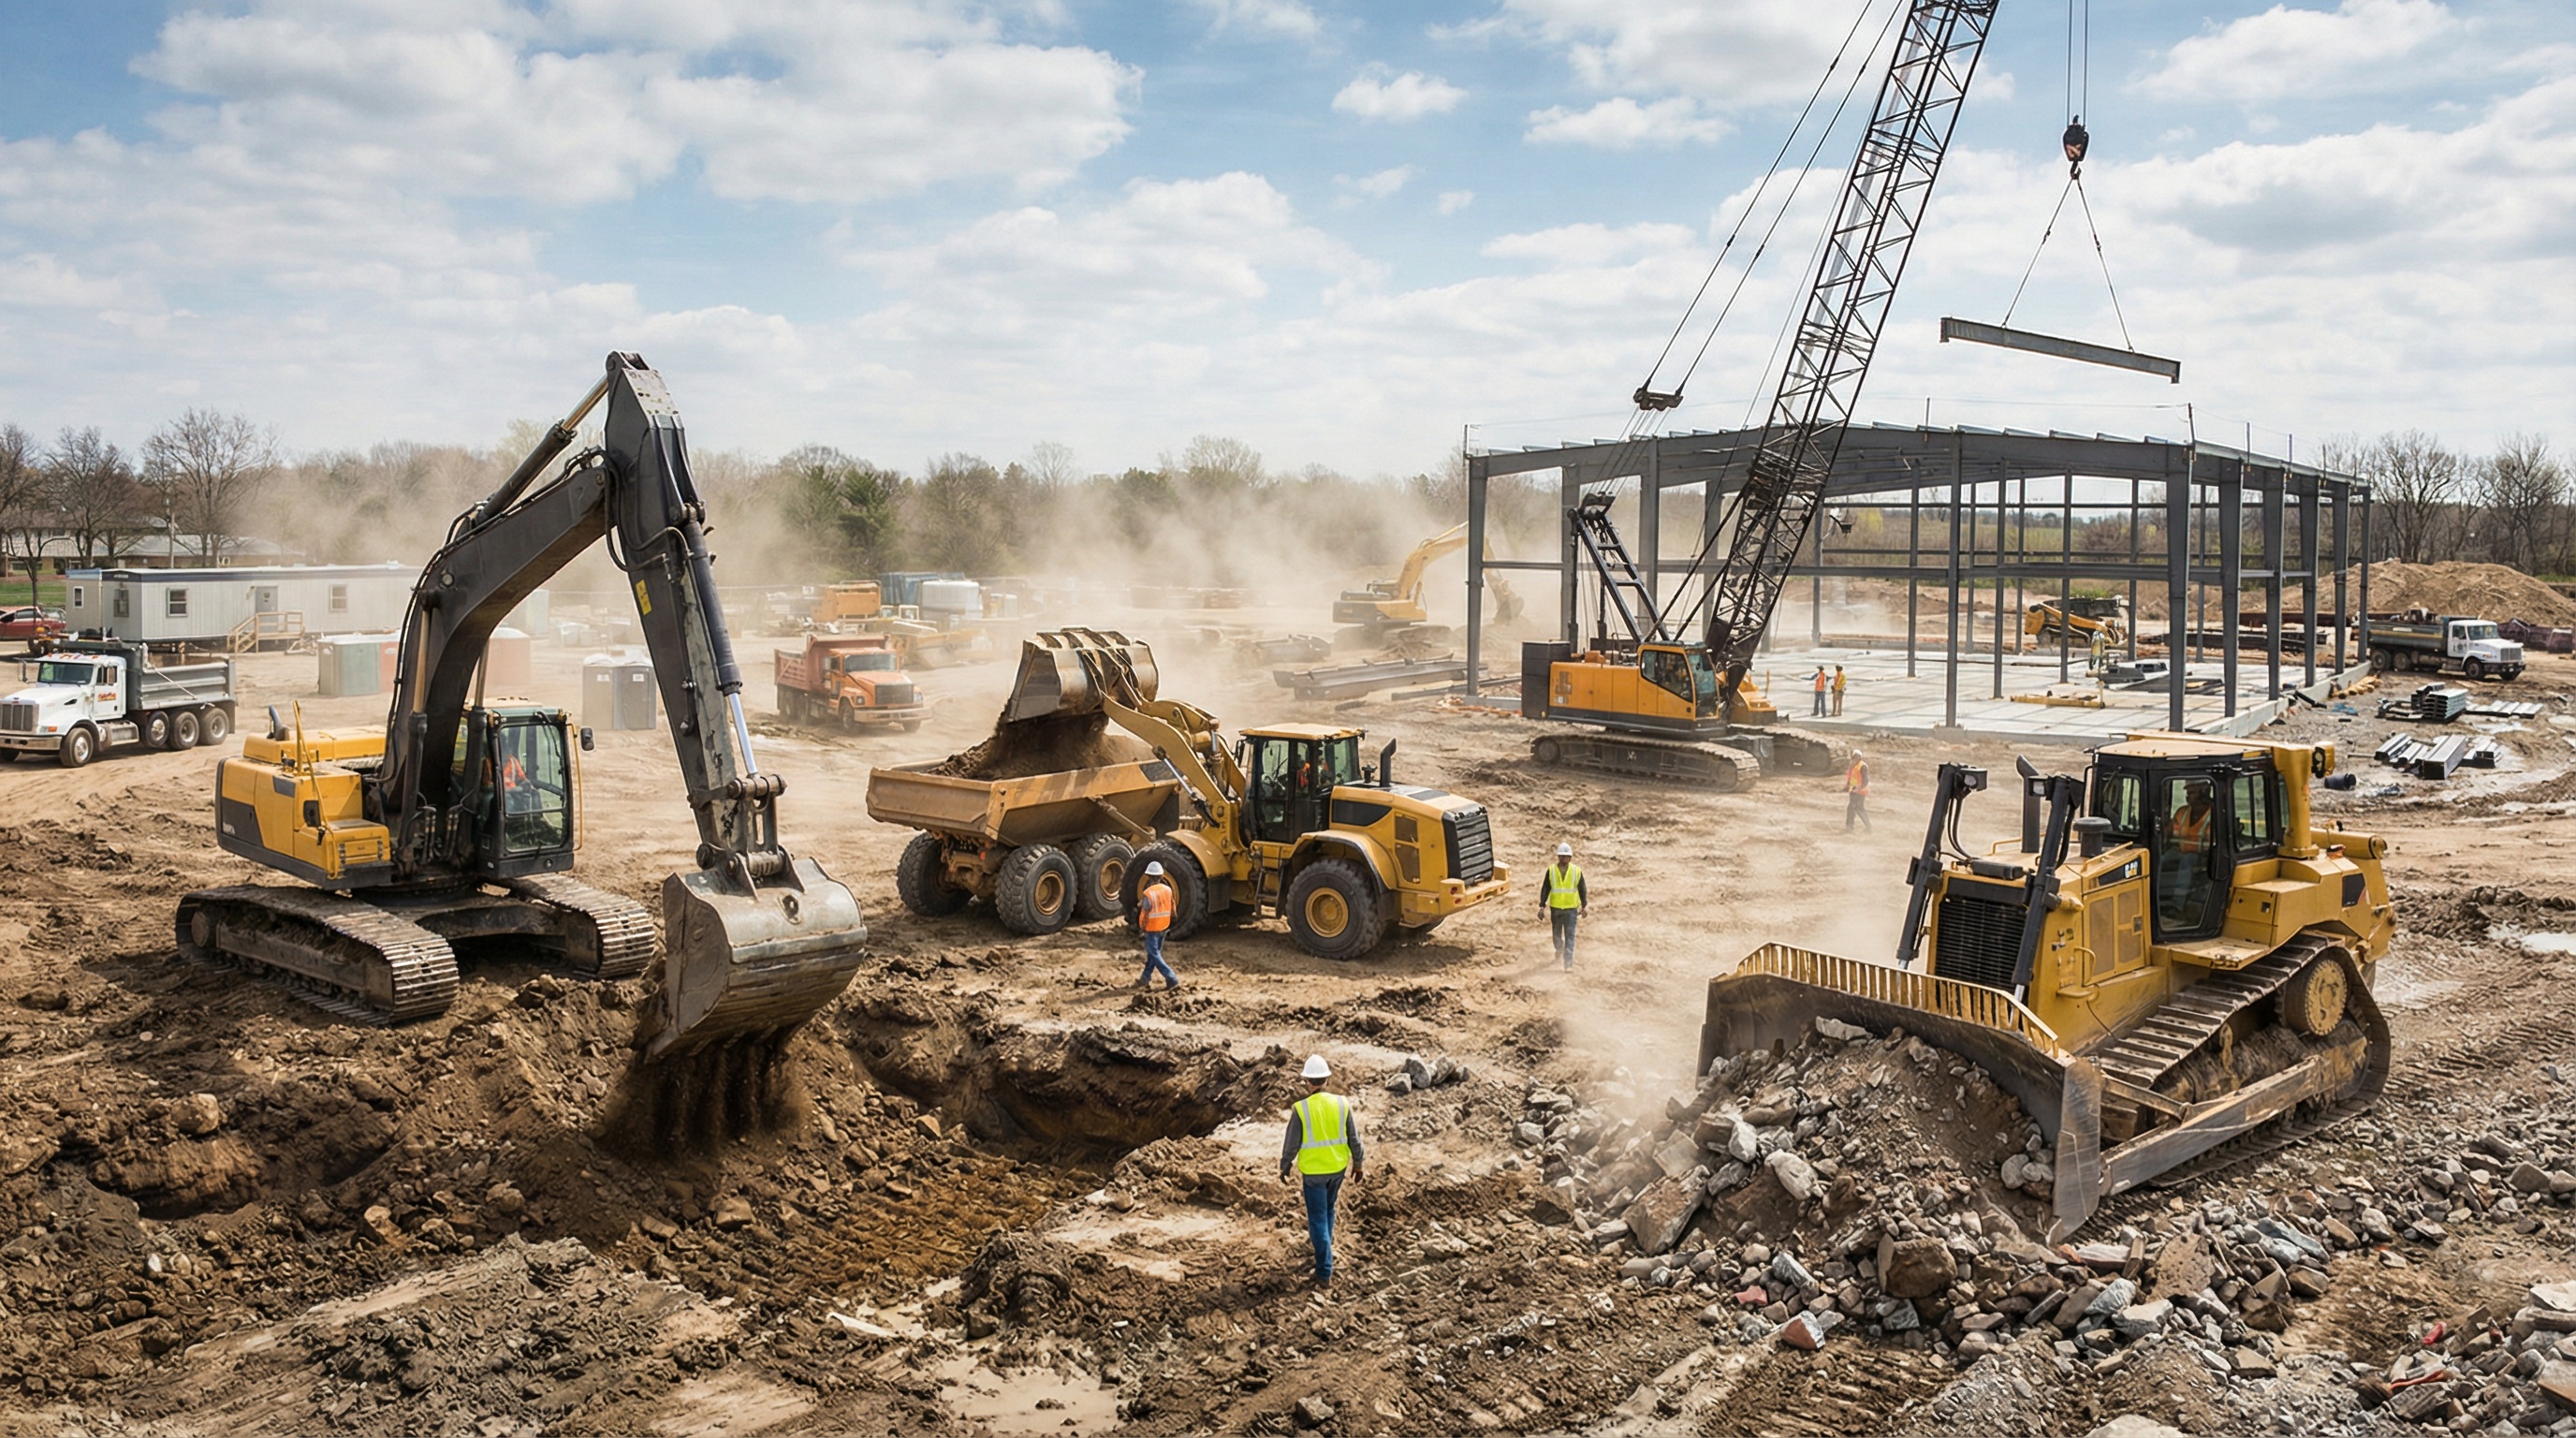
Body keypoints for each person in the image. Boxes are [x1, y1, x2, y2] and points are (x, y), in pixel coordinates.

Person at [1280, 1054, 1363, 1286]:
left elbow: (1291, 1145)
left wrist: (1284, 1166)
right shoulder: (1342, 1104)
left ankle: (1324, 1270)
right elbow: (1354, 1139)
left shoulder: (1301, 1109)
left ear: (1307, 1081)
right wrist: (1358, 1163)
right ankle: (1324, 1248)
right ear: (1326, 1079)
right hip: (1337, 1168)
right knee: (1328, 1210)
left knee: (1317, 1218)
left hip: (1314, 1174)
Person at [1540, 842, 1586, 970]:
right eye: (1562, 856)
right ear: (1558, 856)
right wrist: (1542, 906)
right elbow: (1545, 888)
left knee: (1570, 936)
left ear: (1570, 858)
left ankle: (1568, 964)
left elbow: (1582, 889)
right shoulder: (1552, 870)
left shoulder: (1576, 871)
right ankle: (1559, 948)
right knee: (1556, 936)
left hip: (1571, 909)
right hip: (1556, 909)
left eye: (1566, 856)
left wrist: (1584, 906)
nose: (1564, 858)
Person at [1135, 860, 1180, 990]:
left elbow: (1145, 912)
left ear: (1148, 876)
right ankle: (1145, 977)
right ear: (1161, 876)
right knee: (1153, 954)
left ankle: (1171, 977)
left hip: (1152, 928)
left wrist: (1142, 927)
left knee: (1154, 954)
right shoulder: (1168, 889)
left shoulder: (1148, 893)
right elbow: (1172, 908)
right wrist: (1172, 919)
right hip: (1164, 926)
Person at [1844, 751, 1871, 832]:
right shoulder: (1852, 765)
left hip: (1860, 791)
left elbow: (1866, 780)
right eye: (1854, 757)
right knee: (1851, 808)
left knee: (1859, 808)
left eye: (1857, 757)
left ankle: (1868, 827)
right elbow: (1851, 777)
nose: (1856, 759)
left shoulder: (1863, 766)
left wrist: (1859, 789)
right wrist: (1847, 785)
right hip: (1853, 790)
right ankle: (1849, 827)